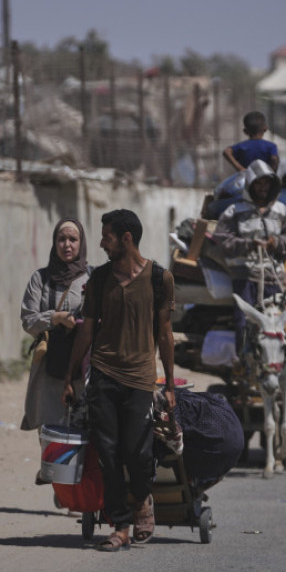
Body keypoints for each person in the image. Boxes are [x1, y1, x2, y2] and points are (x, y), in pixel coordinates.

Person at [62, 209, 176, 552]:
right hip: (104, 375)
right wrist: (70, 376)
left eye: (107, 236)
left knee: (137, 451)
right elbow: (87, 332)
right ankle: (121, 525)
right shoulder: (98, 280)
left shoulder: (160, 278)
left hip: (141, 378)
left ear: (127, 238)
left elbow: (166, 333)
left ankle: (143, 501)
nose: (100, 243)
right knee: (109, 453)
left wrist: (169, 385)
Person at [213, 159, 286, 352]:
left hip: (273, 277)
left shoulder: (281, 211)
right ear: (250, 185)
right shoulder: (234, 211)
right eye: (258, 183)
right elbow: (221, 239)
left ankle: (271, 369)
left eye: (266, 183)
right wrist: (248, 245)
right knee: (244, 322)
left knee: (274, 324)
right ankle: (245, 367)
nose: (262, 188)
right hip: (245, 277)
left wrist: (275, 243)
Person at [20, 218, 90, 444]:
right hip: (50, 367)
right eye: (61, 239)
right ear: (54, 243)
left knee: (87, 433)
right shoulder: (40, 279)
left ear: (81, 243)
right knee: (52, 432)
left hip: (85, 368)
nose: (67, 245)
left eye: (73, 239)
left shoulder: (93, 277)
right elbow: (28, 320)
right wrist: (55, 317)